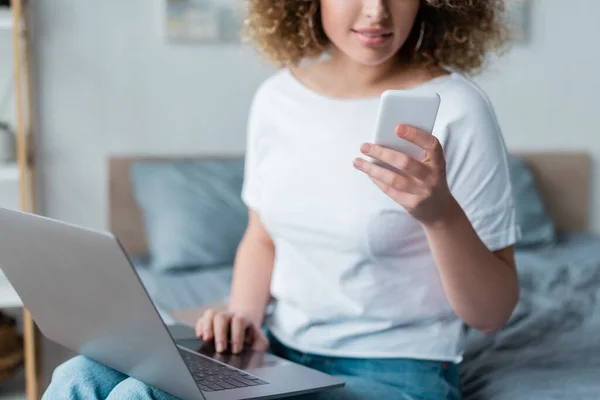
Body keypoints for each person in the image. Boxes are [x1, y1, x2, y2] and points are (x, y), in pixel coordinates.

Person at [43, 0, 519, 399]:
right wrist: (244, 319)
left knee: (140, 395)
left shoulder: (458, 108)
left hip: (400, 373)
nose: (377, 12)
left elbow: (492, 313)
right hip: (278, 353)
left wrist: (439, 216)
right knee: (79, 375)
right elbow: (263, 235)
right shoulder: (277, 98)